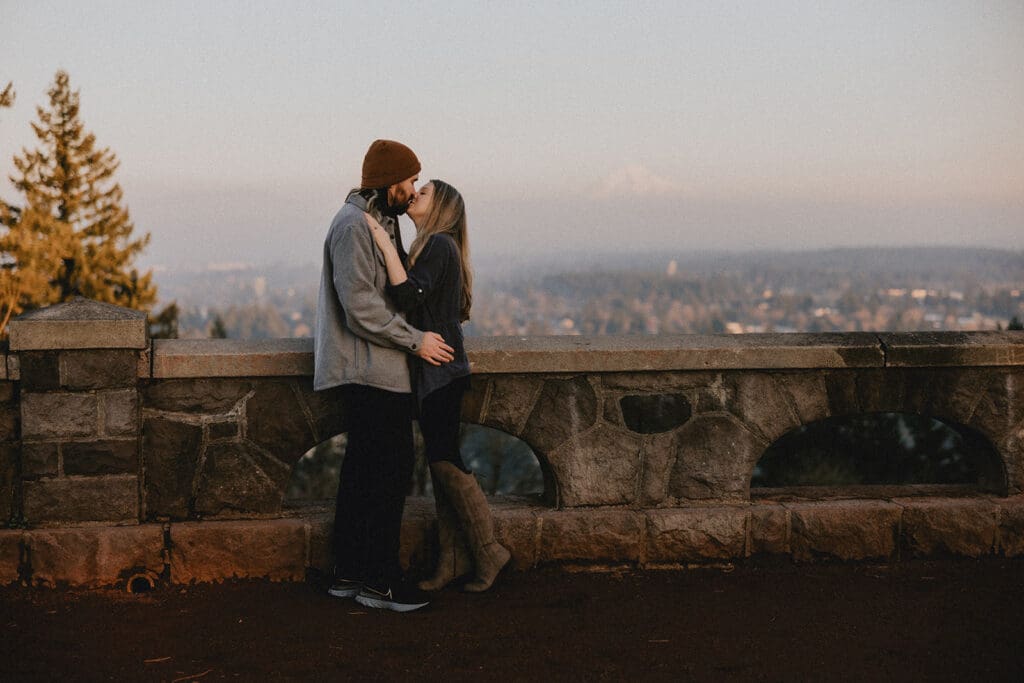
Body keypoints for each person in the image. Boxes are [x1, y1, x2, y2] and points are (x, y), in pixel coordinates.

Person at [314, 139, 454, 612]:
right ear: (392, 180)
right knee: (387, 477)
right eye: (411, 180)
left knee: (363, 475)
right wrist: (417, 340)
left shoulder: (375, 221)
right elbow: (361, 308)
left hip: (374, 367)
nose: (414, 189)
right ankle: (381, 582)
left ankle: (351, 574)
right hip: (370, 369)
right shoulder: (354, 225)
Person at [365, 179, 511, 593]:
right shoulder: (435, 247)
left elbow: (409, 297)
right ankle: (451, 560)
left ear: (442, 208)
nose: (415, 195)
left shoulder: (439, 246)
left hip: (441, 368)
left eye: (424, 192)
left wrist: (380, 238)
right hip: (439, 367)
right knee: (440, 461)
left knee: (446, 460)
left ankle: (488, 550)